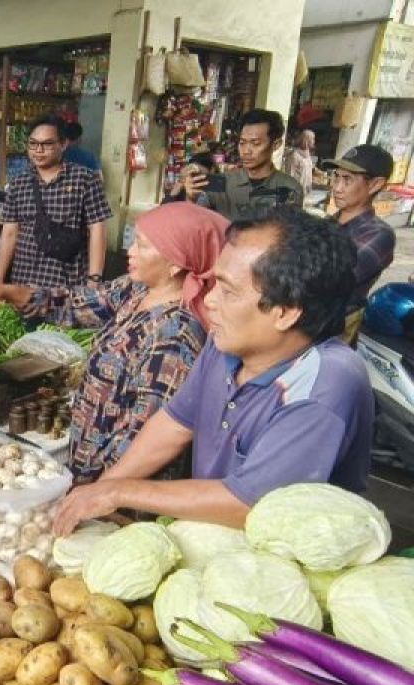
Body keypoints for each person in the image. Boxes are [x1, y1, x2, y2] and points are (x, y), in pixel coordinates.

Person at [53, 207, 372, 534]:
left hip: (273, 559)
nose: (208, 302)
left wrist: (118, 492)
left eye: (228, 291)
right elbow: (174, 424)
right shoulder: (226, 345)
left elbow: (249, 504)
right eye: (213, 283)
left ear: (285, 312)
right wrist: (99, 491)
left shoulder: (325, 385)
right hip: (211, 534)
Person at [0, 202, 222, 482]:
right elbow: (77, 304)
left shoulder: (176, 334)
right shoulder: (136, 289)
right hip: (88, 463)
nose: (130, 251)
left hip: (121, 489)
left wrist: (98, 489)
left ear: (175, 264)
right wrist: (5, 291)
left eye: (143, 246)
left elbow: (146, 434)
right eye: (133, 241)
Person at [0, 115, 111, 287]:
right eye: (33, 144)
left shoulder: (85, 179)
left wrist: (94, 279)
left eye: (47, 144)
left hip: (68, 284)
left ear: (63, 145)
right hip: (24, 282)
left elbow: (97, 229)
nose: (38, 150)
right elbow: (9, 233)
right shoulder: (18, 183)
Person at [174, 109, 303, 221]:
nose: (246, 151)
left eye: (255, 143)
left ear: (276, 144)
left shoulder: (290, 188)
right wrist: (191, 197)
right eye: (242, 143)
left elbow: (289, 237)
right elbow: (195, 223)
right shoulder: (221, 182)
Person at [325, 144, 397, 339]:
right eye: (336, 177)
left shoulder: (379, 235)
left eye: (347, 179)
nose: (337, 187)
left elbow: (330, 280)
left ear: (375, 184)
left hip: (334, 329)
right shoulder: (328, 222)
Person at [282, 128, 316, 197]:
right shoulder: (294, 155)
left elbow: (309, 172)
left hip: (303, 191)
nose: (313, 141)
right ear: (306, 140)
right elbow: (290, 173)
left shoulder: (308, 154)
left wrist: (309, 185)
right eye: (312, 139)